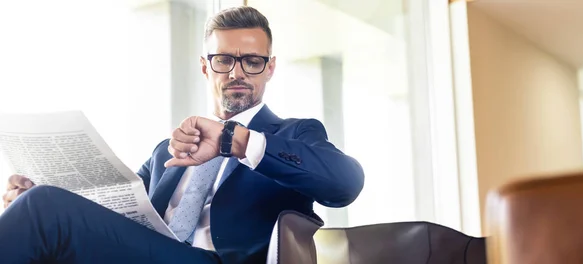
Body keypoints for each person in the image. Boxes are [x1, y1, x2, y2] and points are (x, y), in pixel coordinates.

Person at [0, 6, 364, 264]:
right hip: (151, 253)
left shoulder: (293, 134)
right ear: (206, 67)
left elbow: (346, 184)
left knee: (44, 208)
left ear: (269, 70)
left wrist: (234, 140)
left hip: (220, 259)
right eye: (224, 60)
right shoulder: (166, 152)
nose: (238, 73)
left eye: (252, 61)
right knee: (43, 211)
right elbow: (118, 220)